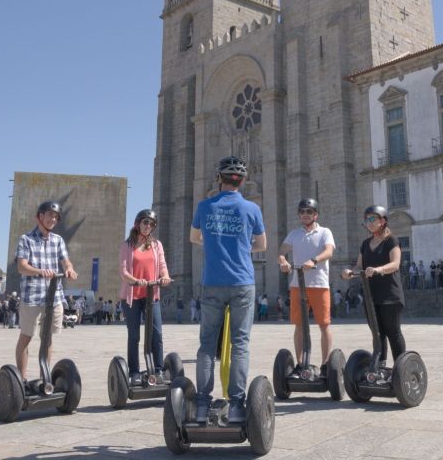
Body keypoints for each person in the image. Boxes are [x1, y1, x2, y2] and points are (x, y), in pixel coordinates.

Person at [190, 156, 266, 424]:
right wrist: (243, 247)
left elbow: (193, 238)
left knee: (207, 345)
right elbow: (262, 245)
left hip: (212, 281)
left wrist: (213, 244)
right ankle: (235, 405)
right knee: (241, 344)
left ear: (218, 178)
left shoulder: (204, 206)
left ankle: (201, 405)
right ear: (242, 181)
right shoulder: (252, 208)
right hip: (243, 282)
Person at [14, 200, 79, 382]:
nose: (53, 219)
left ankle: (45, 378)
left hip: (54, 296)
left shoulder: (58, 240)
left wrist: (69, 269)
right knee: (26, 337)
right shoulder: (26, 240)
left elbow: (65, 260)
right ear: (40, 217)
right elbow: (22, 267)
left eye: (56, 217)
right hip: (32, 296)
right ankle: (22, 380)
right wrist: (40, 272)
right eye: (50, 215)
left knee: (47, 338)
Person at [342, 204, 407, 373]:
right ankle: (380, 365)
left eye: (372, 219)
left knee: (393, 332)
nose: (368, 223)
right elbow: (359, 266)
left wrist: (378, 270)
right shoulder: (365, 244)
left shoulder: (391, 240)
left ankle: (401, 369)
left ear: (382, 221)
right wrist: (351, 272)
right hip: (371, 295)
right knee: (377, 333)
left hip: (390, 294)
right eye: (366, 220)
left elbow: (395, 263)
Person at [279, 197, 336, 374]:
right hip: (297, 285)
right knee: (299, 325)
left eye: (309, 212)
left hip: (319, 284)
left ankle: (326, 363)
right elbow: (282, 251)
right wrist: (283, 261)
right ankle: (300, 363)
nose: (305, 214)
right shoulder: (294, 234)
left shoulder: (325, 232)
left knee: (324, 324)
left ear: (315, 215)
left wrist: (313, 260)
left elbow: (328, 251)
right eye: (302, 212)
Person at [119, 208, 173, 385]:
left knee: (156, 334)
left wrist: (164, 276)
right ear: (137, 223)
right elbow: (124, 271)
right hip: (132, 296)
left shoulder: (157, 245)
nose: (148, 226)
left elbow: (162, 265)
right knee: (134, 335)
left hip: (152, 295)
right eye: (145, 222)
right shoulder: (127, 246)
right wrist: (135, 280)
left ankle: (158, 370)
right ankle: (134, 372)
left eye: (151, 224)